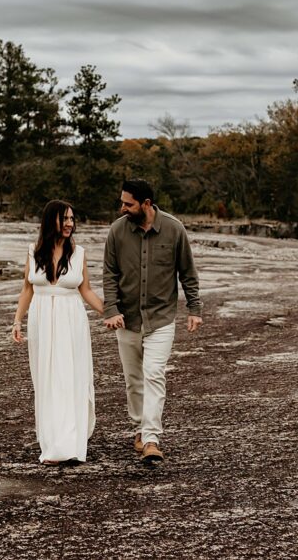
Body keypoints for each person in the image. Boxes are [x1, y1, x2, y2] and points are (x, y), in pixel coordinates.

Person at [102, 178, 203, 464]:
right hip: (127, 320)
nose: (122, 208)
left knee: (154, 374)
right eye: (122, 202)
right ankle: (138, 428)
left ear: (146, 204)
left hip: (161, 319)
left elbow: (188, 273)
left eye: (128, 203)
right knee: (134, 381)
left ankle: (151, 439)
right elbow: (109, 274)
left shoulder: (174, 229)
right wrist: (111, 309)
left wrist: (194, 308)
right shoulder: (117, 231)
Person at [12, 200, 104, 464]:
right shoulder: (33, 251)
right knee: (47, 379)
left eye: (72, 219)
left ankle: (69, 445)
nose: (69, 224)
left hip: (70, 320)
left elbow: (86, 291)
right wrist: (17, 321)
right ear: (50, 220)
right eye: (64, 218)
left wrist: (109, 312)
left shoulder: (79, 253)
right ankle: (52, 441)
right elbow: (27, 290)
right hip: (41, 320)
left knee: (69, 377)